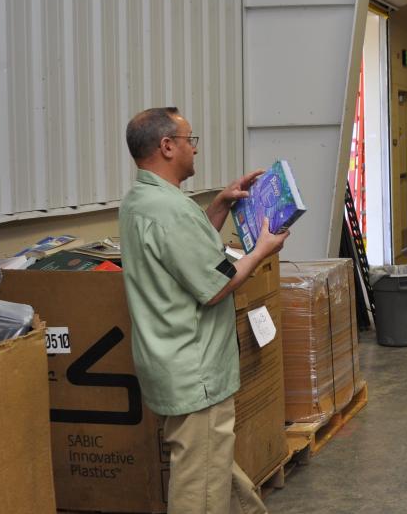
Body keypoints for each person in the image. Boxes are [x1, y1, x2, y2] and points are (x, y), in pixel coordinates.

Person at [119, 107, 288, 514]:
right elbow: (215, 286)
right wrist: (263, 250)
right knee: (201, 488)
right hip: (196, 369)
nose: (194, 149)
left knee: (212, 466)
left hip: (168, 361)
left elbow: (185, 256)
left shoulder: (142, 201)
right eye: (189, 140)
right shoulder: (170, 210)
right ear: (167, 146)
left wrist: (219, 207)